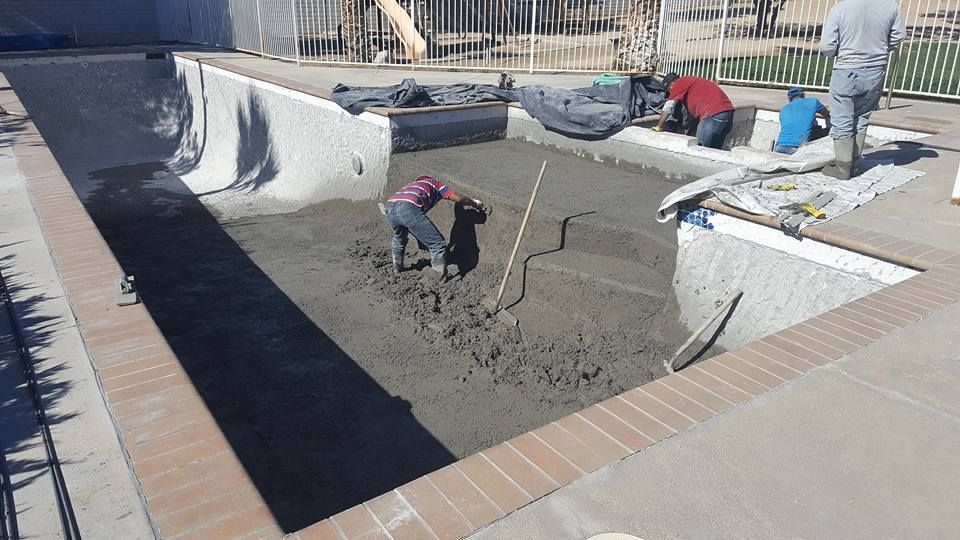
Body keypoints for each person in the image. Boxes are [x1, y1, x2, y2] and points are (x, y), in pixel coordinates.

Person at [819, 0, 905, 179]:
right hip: (876, 70)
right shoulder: (890, 6)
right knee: (862, 117)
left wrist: (839, 51)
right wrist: (880, 48)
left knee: (842, 119)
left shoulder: (840, 9)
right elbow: (898, 35)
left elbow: (827, 47)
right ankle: (855, 164)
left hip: (847, 69)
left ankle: (843, 166)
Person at [384, 175, 485, 280]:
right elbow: (459, 199)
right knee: (437, 244)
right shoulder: (434, 184)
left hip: (389, 207)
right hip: (408, 207)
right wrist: (474, 203)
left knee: (399, 237)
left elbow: (414, 224)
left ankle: (397, 268)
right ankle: (439, 279)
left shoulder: (410, 186)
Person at [654, 74, 736, 149]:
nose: (671, 93)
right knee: (714, 152)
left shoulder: (680, 83)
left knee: (700, 150)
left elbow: (668, 106)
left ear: (671, 86)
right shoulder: (692, 83)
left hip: (713, 116)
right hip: (728, 114)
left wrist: (658, 126)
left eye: (669, 91)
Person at [774, 86, 831, 155]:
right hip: (797, 148)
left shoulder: (783, 109)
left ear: (789, 98)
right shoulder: (813, 102)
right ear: (803, 95)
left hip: (779, 146)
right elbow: (826, 113)